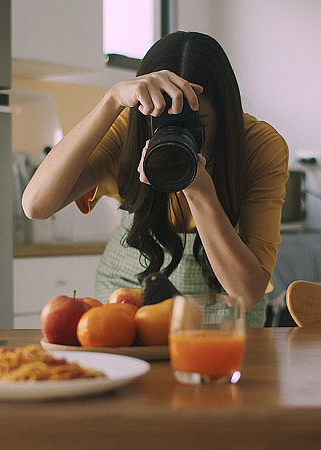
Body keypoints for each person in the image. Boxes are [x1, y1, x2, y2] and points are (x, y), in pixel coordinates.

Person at [22, 31, 288, 327]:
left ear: (225, 115)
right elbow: (36, 205)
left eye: (197, 124)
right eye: (163, 120)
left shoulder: (258, 145)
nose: (179, 133)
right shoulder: (129, 129)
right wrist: (111, 100)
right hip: (127, 298)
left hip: (224, 308)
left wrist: (199, 191)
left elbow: (247, 293)